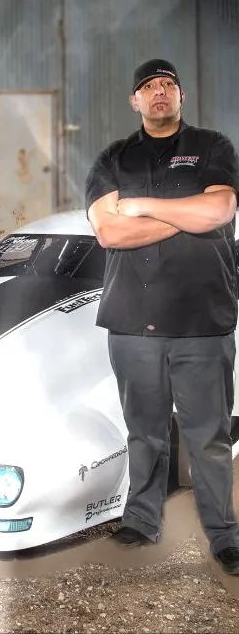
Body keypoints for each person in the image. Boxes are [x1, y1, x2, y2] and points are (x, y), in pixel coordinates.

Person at [85, 58, 239, 576]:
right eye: (148, 87)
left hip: (203, 320)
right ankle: (142, 519)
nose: (158, 92)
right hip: (133, 322)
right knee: (145, 431)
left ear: (181, 96)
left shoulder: (213, 147)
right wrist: (185, 215)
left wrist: (143, 208)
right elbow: (109, 233)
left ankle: (223, 534)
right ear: (134, 100)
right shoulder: (112, 159)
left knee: (209, 437)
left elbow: (219, 212)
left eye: (167, 85)